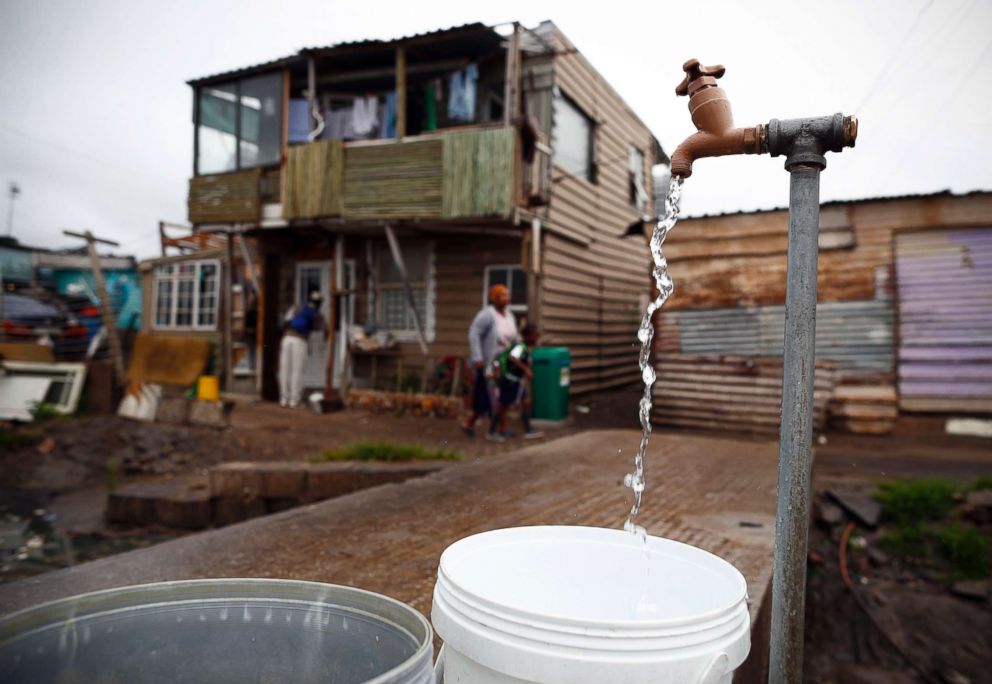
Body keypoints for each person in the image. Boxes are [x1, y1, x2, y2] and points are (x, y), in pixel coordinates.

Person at [461, 284, 519, 440]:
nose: (506, 298)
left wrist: (521, 354)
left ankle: (501, 428)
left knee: (503, 396)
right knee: (490, 396)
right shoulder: (487, 315)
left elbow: (515, 338)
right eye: (502, 295)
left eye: (507, 295)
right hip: (489, 362)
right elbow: (474, 334)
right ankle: (476, 425)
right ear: (493, 298)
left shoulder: (509, 316)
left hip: (505, 363)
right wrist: (477, 357)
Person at [491, 323, 543, 440]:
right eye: (535, 336)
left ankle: (528, 430)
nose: (537, 339)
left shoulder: (524, 348)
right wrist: (526, 370)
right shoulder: (520, 347)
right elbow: (512, 357)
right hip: (509, 381)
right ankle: (493, 431)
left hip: (516, 382)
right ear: (529, 336)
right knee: (503, 406)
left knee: (525, 402)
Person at [279, 290, 324, 408]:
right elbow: (319, 328)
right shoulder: (317, 314)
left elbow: (286, 320)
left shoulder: (297, 307)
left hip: (287, 339)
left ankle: (284, 398)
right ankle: (294, 400)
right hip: (300, 341)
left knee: (285, 370)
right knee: (297, 371)